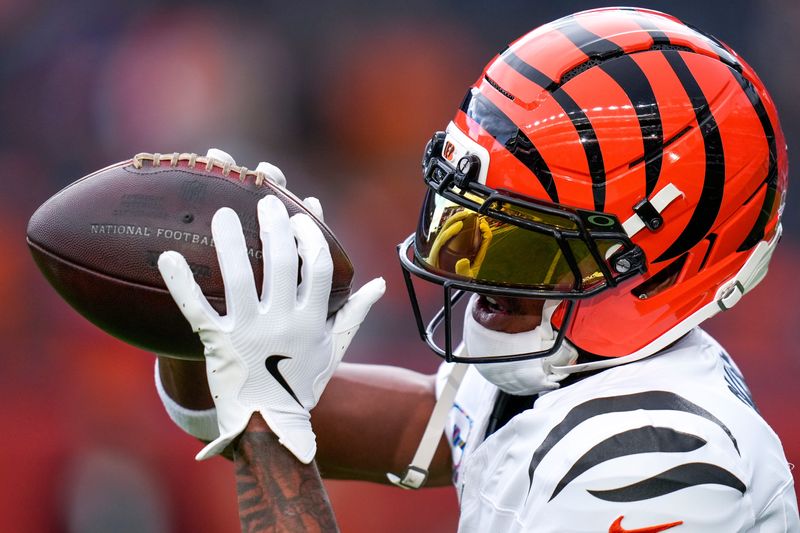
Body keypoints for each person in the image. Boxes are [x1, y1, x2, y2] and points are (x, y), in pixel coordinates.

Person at [154, 7, 799, 532]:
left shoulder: (655, 455)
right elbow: (418, 428)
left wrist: (270, 431)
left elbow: (271, 419)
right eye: (466, 220)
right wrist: (201, 320)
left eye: (523, 244)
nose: (467, 268)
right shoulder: (567, 363)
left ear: (651, 261)